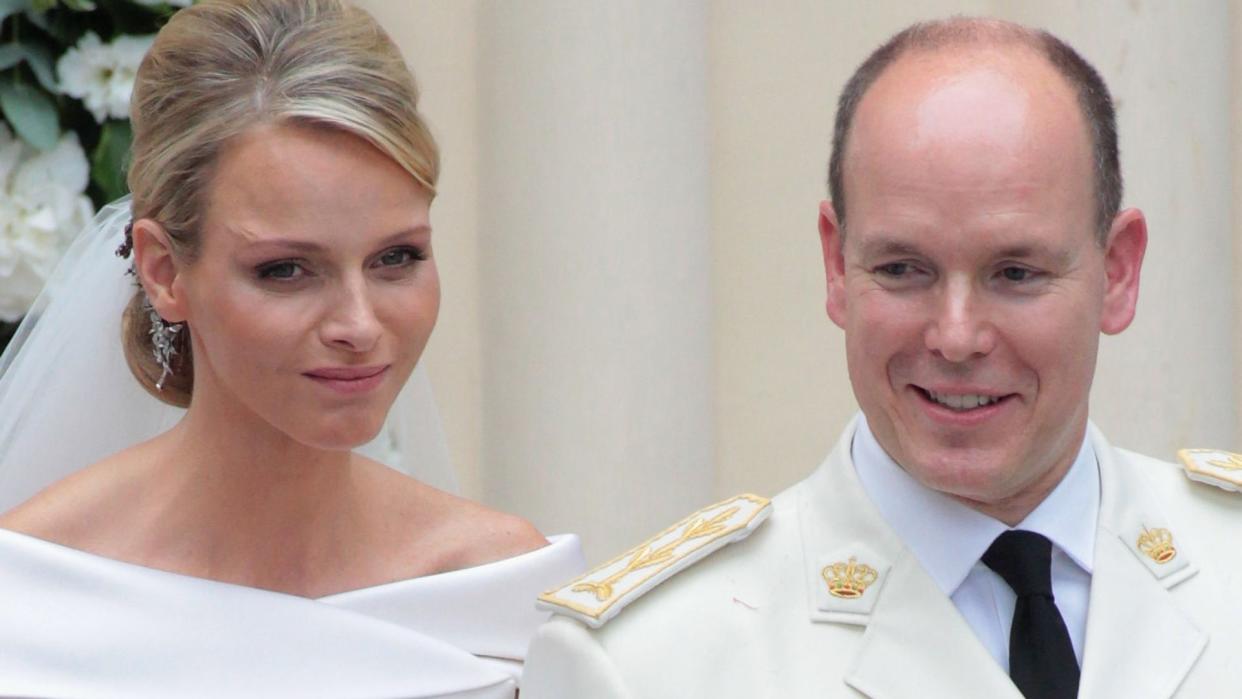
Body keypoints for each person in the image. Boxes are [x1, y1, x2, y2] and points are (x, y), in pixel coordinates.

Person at [522, 17, 1242, 698]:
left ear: (1118, 272)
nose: (956, 337)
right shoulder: (651, 666)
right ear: (836, 265)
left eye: (1015, 273)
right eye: (903, 269)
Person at [0, 1, 582, 696]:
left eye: (396, 257)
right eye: (285, 269)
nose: (359, 325)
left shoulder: (499, 589)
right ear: (164, 272)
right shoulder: (29, 596)